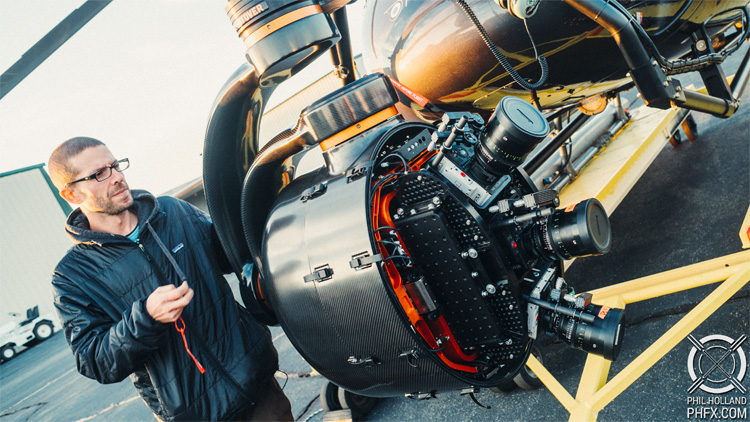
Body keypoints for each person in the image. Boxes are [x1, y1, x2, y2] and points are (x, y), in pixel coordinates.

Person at [48, 137, 293, 421]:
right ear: (72, 195)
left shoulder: (172, 211)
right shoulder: (73, 275)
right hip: (195, 414)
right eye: (100, 174)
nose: (117, 177)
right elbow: (96, 362)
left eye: (115, 165)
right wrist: (146, 318)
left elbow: (230, 255)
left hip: (260, 388)